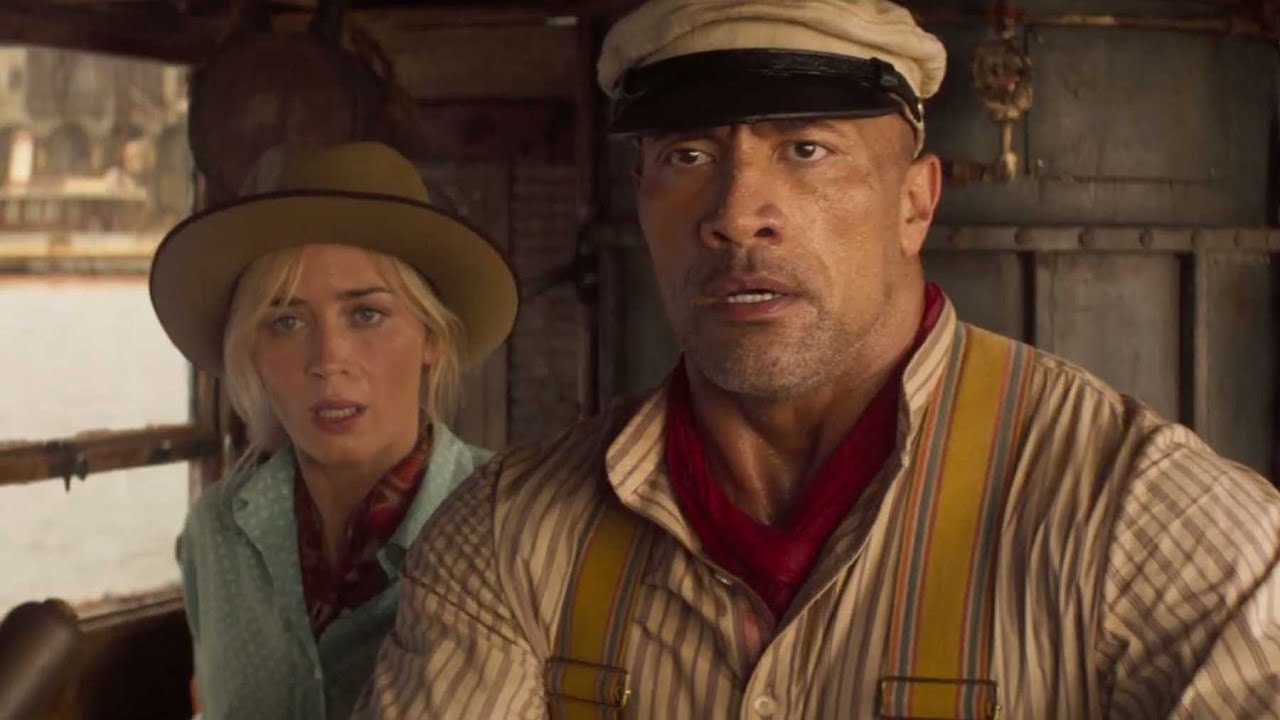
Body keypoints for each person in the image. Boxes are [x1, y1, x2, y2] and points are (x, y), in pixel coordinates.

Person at [356, 2, 1280, 718]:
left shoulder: (1138, 519)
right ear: (641, 200)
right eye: (687, 156)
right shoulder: (508, 539)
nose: (735, 214)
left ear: (915, 204)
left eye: (806, 150)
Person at [149, 141, 516, 720]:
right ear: (252, 350)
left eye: (366, 314)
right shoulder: (216, 532)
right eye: (285, 321)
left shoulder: (513, 525)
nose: (328, 359)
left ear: (432, 338)